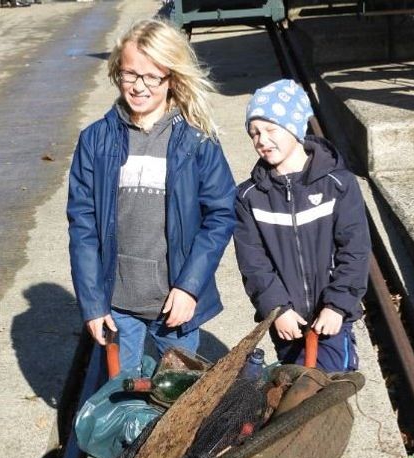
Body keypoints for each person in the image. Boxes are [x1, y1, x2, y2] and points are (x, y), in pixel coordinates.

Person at [67, 18, 236, 378]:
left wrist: (190, 287)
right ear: (116, 72)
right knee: (120, 398)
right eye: (130, 74)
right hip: (117, 305)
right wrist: (93, 304)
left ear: (171, 77)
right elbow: (82, 227)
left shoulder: (197, 140)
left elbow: (220, 214)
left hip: (174, 306)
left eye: (151, 77)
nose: (139, 87)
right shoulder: (95, 141)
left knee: (175, 400)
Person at [233, 79, 370, 373]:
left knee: (327, 386)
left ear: (294, 128)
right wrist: (277, 309)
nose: (262, 140)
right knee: (293, 387)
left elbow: (355, 250)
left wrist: (337, 306)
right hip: (286, 320)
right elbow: (254, 264)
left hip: (331, 317)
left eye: (271, 129)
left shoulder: (338, 184)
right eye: (254, 133)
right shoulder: (250, 197)